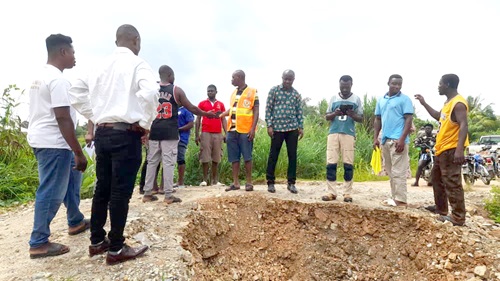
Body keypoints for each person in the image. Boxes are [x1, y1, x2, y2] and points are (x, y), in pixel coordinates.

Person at [69, 24, 158, 265]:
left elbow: (75, 91)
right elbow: (150, 93)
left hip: (103, 133)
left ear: (116, 41)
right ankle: (117, 248)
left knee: (103, 188)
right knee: (120, 192)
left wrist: (96, 114)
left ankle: (97, 241)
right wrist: (146, 122)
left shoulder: (99, 64)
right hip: (125, 134)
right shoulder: (138, 64)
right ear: (136, 41)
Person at [27, 34, 89, 259]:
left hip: (42, 138)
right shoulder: (58, 80)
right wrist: (78, 151)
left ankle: (75, 220)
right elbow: (63, 117)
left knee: (72, 180)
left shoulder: (40, 76)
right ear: (63, 52)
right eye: (72, 52)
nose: (74, 57)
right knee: (51, 191)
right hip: (54, 143)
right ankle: (39, 241)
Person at [142, 65, 216, 204]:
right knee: (168, 162)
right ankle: (168, 195)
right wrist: (207, 114)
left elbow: (144, 109)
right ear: (170, 75)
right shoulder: (176, 90)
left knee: (152, 162)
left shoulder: (152, 90)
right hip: (169, 130)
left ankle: (147, 193)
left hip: (155, 129)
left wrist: (145, 129)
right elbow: (192, 108)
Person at [415, 74, 469, 226]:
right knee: (436, 178)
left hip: (451, 148)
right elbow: (439, 116)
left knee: (452, 182)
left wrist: (459, 150)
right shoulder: (448, 103)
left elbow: (464, 125)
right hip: (442, 149)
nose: (438, 86)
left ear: (448, 84)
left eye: (440, 84)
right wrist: (424, 103)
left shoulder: (458, 104)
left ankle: (458, 217)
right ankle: (441, 209)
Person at [373, 74, 414, 207]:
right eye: (394, 83)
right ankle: (395, 197)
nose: (396, 86)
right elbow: (378, 119)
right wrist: (376, 138)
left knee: (399, 172)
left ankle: (401, 200)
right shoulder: (381, 100)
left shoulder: (405, 100)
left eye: (399, 84)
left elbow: (408, 119)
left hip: (398, 140)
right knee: (390, 171)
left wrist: (402, 139)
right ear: (388, 83)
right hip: (385, 139)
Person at [321, 75, 363, 202]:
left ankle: (347, 193)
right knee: (331, 163)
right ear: (339, 85)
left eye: (347, 86)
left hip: (348, 133)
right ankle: (331, 192)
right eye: (342, 86)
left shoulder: (356, 99)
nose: (344, 89)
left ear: (351, 85)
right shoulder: (333, 98)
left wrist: (352, 114)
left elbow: (361, 118)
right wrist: (335, 113)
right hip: (333, 133)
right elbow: (327, 116)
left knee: (348, 163)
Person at [265, 70, 304, 194]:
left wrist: (301, 127)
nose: (287, 81)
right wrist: (269, 125)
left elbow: (299, 112)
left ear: (294, 79)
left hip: (292, 128)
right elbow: (268, 109)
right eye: (285, 78)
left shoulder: (296, 94)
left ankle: (291, 183)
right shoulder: (274, 91)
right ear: (282, 78)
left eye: (290, 79)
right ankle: (270, 182)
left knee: (292, 156)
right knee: (273, 155)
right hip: (277, 128)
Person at [223, 70, 259, 192]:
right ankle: (236, 183)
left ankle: (249, 182)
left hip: (245, 130)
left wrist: (253, 128)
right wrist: (221, 114)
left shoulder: (252, 91)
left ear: (239, 77)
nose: (231, 80)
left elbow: (256, 110)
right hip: (232, 129)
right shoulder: (234, 93)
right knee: (234, 157)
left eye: (233, 77)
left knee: (247, 156)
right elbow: (233, 109)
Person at [195, 84, 227, 186]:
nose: (210, 93)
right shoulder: (202, 104)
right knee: (205, 156)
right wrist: (196, 134)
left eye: (212, 91)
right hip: (205, 132)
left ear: (216, 92)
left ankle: (215, 181)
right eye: (208, 91)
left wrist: (226, 133)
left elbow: (223, 119)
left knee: (216, 156)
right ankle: (204, 180)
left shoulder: (220, 104)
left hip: (218, 133)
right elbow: (198, 119)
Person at [175, 106, 194, 188]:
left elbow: (191, 124)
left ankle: (181, 181)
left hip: (182, 138)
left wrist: (178, 129)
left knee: (180, 159)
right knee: (170, 160)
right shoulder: (174, 109)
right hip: (171, 138)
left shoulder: (187, 110)